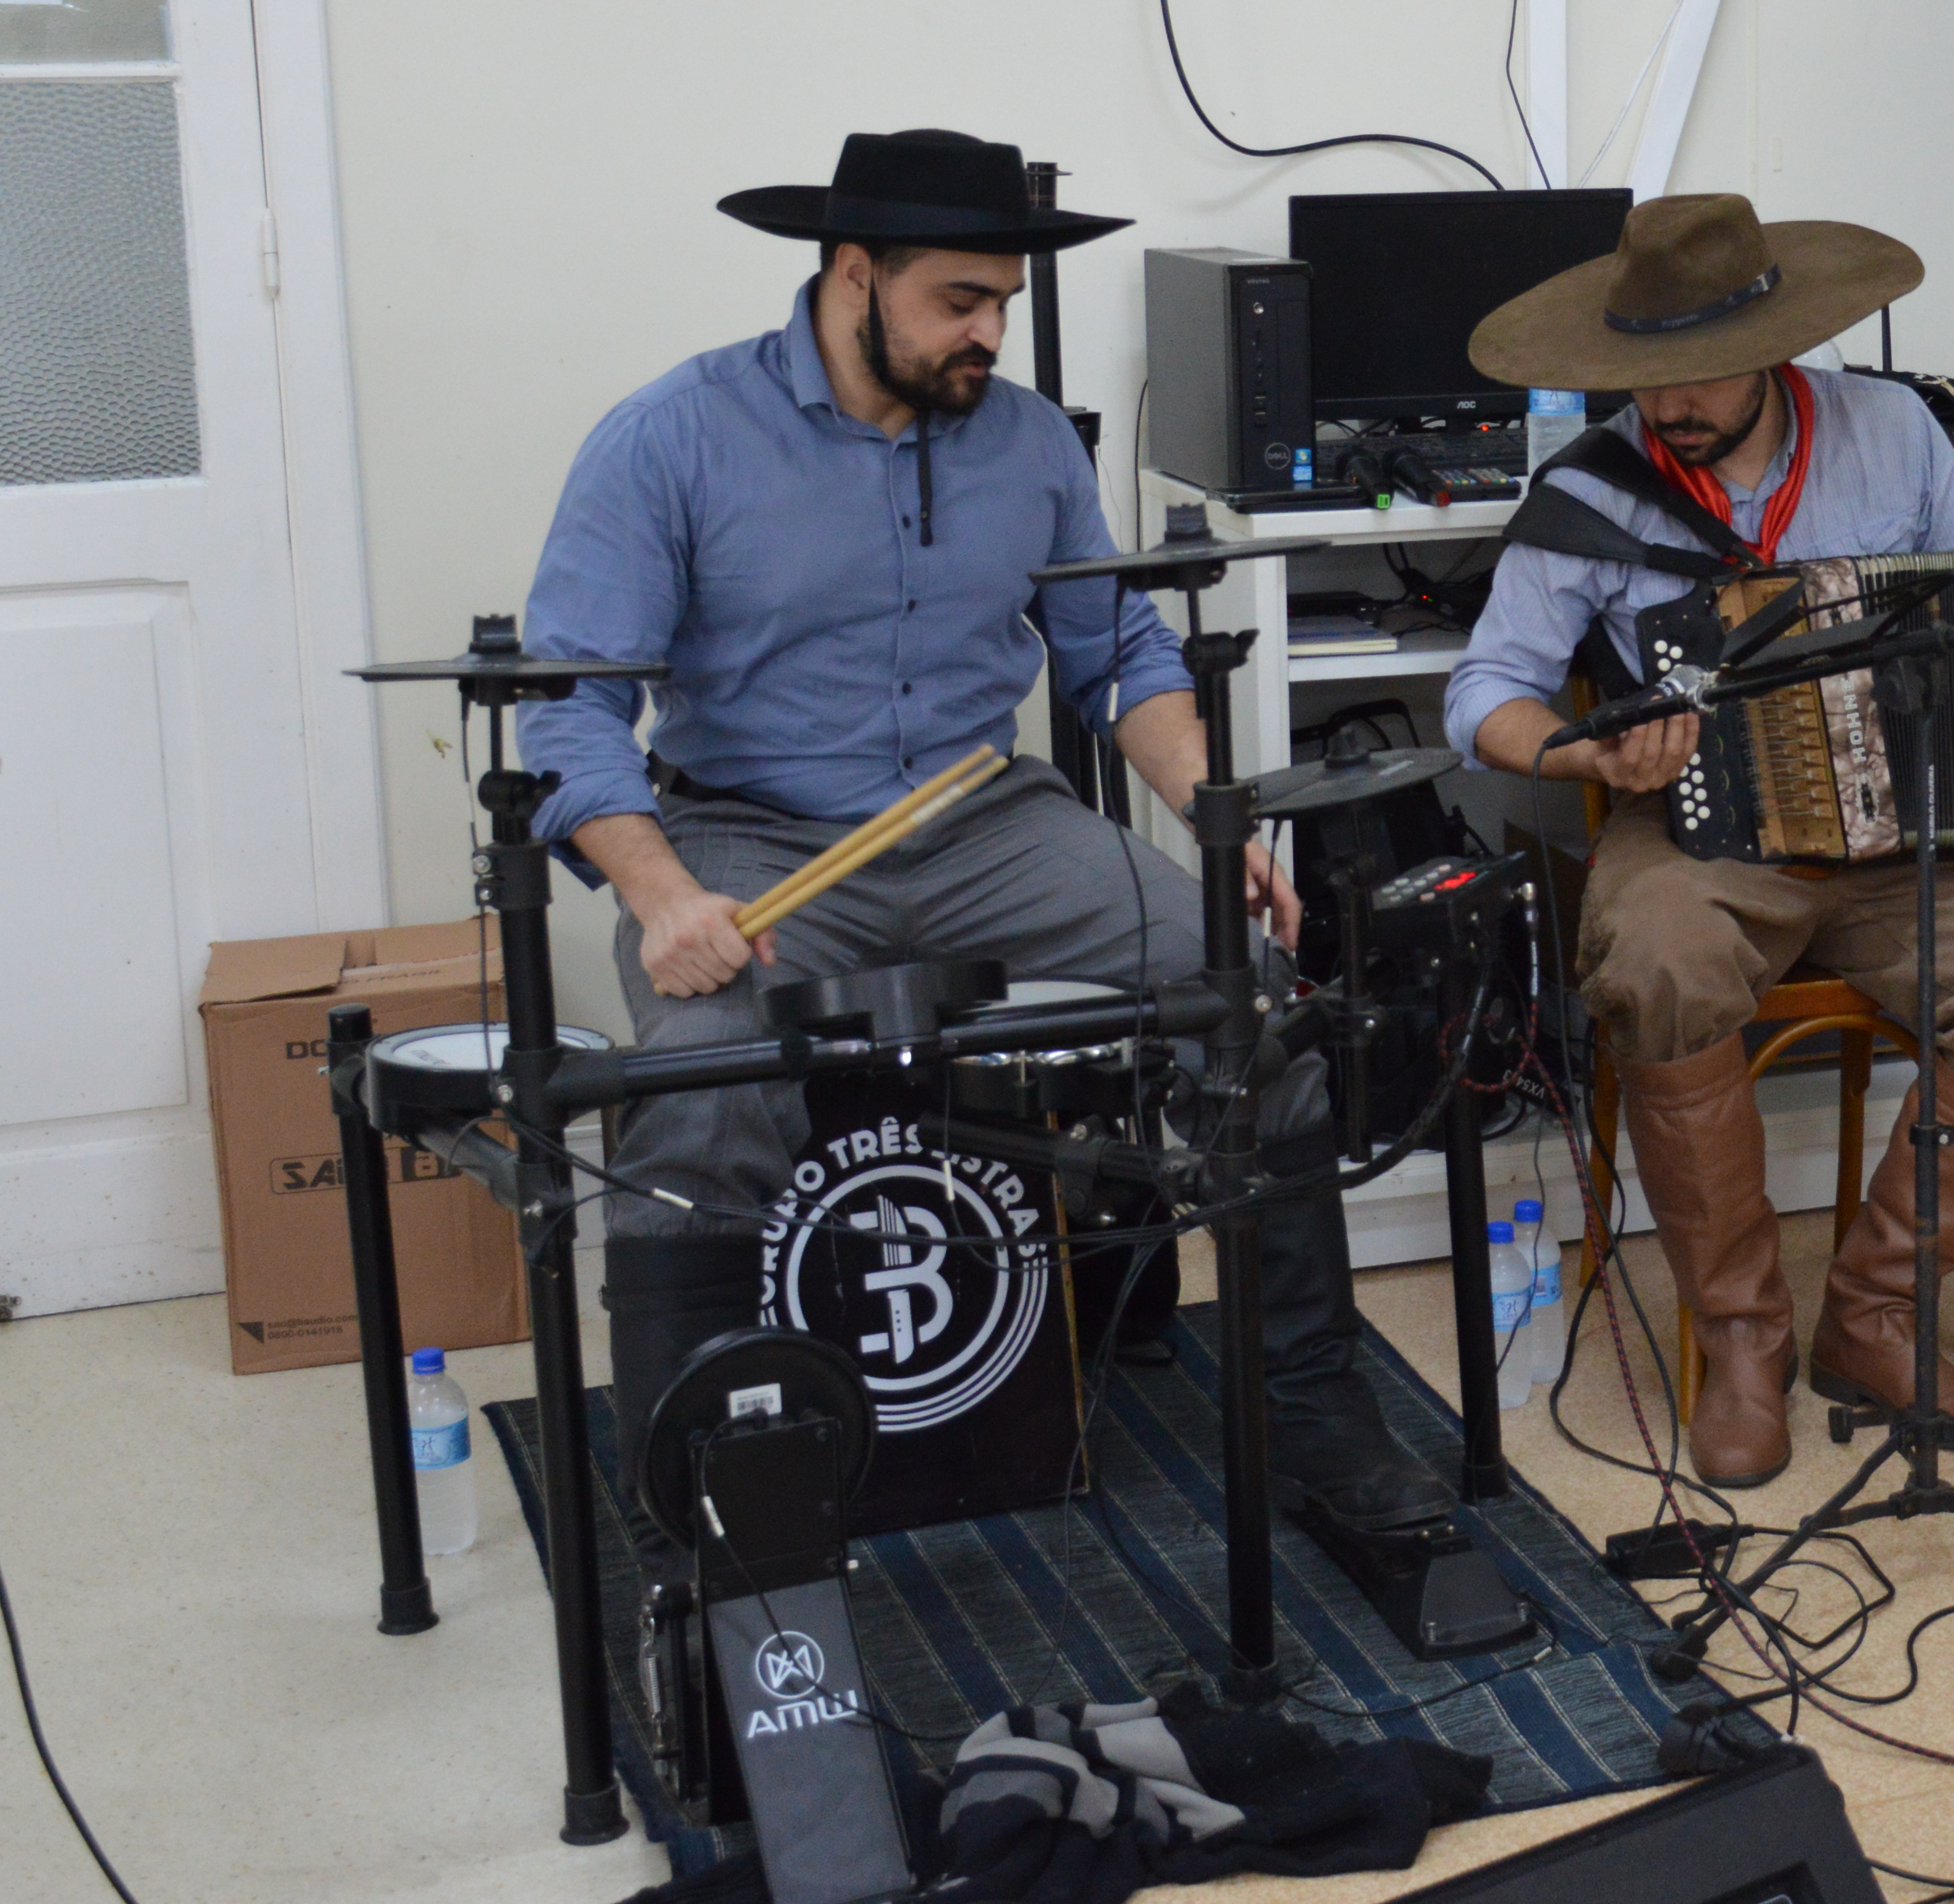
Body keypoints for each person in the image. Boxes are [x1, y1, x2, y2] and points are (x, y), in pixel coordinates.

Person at [518, 127, 1453, 1532]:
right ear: (852, 275)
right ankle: (696, 1503)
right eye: (959, 299)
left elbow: (1113, 652)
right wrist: (659, 896)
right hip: (751, 833)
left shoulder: (1020, 441)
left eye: (1004, 302)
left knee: (1244, 998)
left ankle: (1318, 1423)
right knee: (704, 1072)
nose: (988, 332)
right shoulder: (673, 435)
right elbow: (570, 706)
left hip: (980, 814)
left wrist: (1214, 826)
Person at [1443, 193, 1954, 1488]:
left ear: (1776, 343)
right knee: (1659, 963)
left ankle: (1875, 1315)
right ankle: (1742, 1337)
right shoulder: (1586, 486)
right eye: (1642, 377)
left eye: (1692, 374)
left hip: (1903, 829)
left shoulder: (1891, 430)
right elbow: (1484, 694)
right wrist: (1583, 750)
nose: (1667, 404)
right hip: (1696, 830)